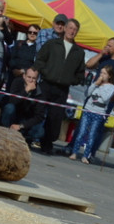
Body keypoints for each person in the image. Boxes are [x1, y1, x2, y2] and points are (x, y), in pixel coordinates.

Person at [33, 18, 86, 155]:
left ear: (77, 32)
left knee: (55, 117)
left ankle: (47, 143)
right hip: (46, 83)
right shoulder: (52, 44)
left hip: (62, 89)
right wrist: (45, 72)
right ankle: (29, 138)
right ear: (65, 28)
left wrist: (70, 80)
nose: (72, 31)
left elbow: (80, 74)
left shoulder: (79, 52)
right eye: (70, 28)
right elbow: (39, 60)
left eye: (75, 29)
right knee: (37, 112)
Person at [69, 65, 114, 163]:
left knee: (92, 135)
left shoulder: (111, 87)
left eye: (104, 73)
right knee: (81, 132)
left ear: (109, 76)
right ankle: (74, 152)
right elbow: (88, 93)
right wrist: (95, 84)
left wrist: (100, 88)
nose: (101, 75)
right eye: (101, 73)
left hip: (98, 113)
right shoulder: (96, 83)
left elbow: (105, 98)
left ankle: (86, 156)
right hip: (88, 110)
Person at [0, 66, 48, 143]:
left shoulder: (40, 91)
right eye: (29, 77)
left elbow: (39, 116)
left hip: (26, 122)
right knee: (9, 108)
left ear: (37, 79)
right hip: (14, 116)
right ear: (24, 76)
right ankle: (5, 132)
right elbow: (12, 101)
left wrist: (21, 126)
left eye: (34, 78)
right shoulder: (17, 82)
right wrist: (26, 90)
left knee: (40, 131)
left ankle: (24, 137)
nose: (31, 80)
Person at [8, 24, 41, 90]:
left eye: (35, 33)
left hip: (27, 78)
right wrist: (14, 69)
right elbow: (11, 57)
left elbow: (36, 63)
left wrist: (24, 71)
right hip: (13, 74)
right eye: (30, 32)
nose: (32, 34)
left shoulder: (38, 49)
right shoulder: (18, 43)